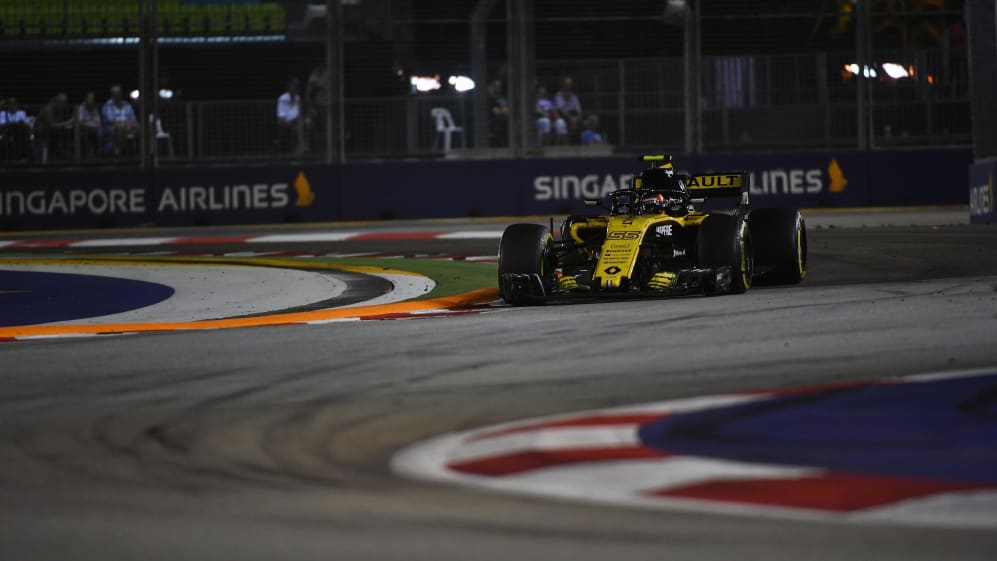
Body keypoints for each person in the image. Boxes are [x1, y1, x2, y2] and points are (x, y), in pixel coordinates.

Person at [34, 93, 74, 162]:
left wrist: (66, 125)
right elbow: (51, 126)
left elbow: (57, 124)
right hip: (41, 135)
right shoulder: (48, 109)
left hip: (50, 135)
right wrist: (67, 122)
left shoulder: (57, 110)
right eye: (61, 102)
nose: (63, 105)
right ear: (56, 101)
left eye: (64, 103)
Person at [101, 85, 138, 157]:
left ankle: (140, 153)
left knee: (140, 127)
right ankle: (121, 153)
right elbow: (110, 121)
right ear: (112, 94)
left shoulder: (127, 105)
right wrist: (124, 124)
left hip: (128, 126)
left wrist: (130, 124)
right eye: (115, 93)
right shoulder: (108, 105)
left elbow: (133, 119)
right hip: (112, 127)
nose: (117, 95)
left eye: (119, 93)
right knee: (120, 128)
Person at [306, 62, 329, 154]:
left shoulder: (328, 74)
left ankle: (325, 150)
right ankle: (315, 150)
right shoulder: (314, 75)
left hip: (327, 106)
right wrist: (311, 108)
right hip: (316, 106)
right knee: (314, 128)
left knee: (325, 129)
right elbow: (309, 93)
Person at [0, 97, 31, 161]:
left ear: (16, 104)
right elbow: (2, 124)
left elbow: (25, 124)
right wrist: (14, 124)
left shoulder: (21, 113)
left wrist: (18, 124)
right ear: (7, 105)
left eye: (13, 103)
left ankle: (22, 155)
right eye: (10, 103)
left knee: (22, 130)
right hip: (7, 133)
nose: (12, 105)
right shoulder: (3, 113)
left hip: (20, 134)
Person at [276, 77, 302, 153]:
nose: (295, 88)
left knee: (304, 125)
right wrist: (289, 123)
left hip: (295, 122)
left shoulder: (298, 98)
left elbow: (299, 113)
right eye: (294, 85)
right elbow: (281, 116)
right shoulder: (282, 98)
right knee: (286, 127)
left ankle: (300, 149)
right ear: (289, 86)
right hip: (284, 122)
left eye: (297, 86)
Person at [554, 76, 583, 143]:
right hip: (563, 116)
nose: (568, 87)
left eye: (570, 85)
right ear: (563, 85)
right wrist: (571, 118)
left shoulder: (574, 96)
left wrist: (577, 118)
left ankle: (579, 143)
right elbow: (561, 110)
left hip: (574, 116)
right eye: (567, 85)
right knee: (561, 123)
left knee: (582, 123)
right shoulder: (558, 95)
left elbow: (579, 110)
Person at [75, 92, 102, 159]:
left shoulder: (95, 109)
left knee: (101, 131)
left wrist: (94, 126)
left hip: (94, 129)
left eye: (93, 99)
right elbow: (80, 122)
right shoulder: (81, 108)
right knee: (89, 132)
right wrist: (90, 125)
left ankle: (99, 152)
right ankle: (87, 154)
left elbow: (98, 122)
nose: (91, 100)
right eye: (90, 99)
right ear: (86, 99)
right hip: (83, 129)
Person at [487, 79, 509, 147]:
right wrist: (503, 111)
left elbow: (507, 109)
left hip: (506, 120)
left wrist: (505, 111)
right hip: (496, 121)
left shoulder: (503, 97)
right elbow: (495, 111)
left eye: (500, 86)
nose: (498, 87)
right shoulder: (491, 99)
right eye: (496, 86)